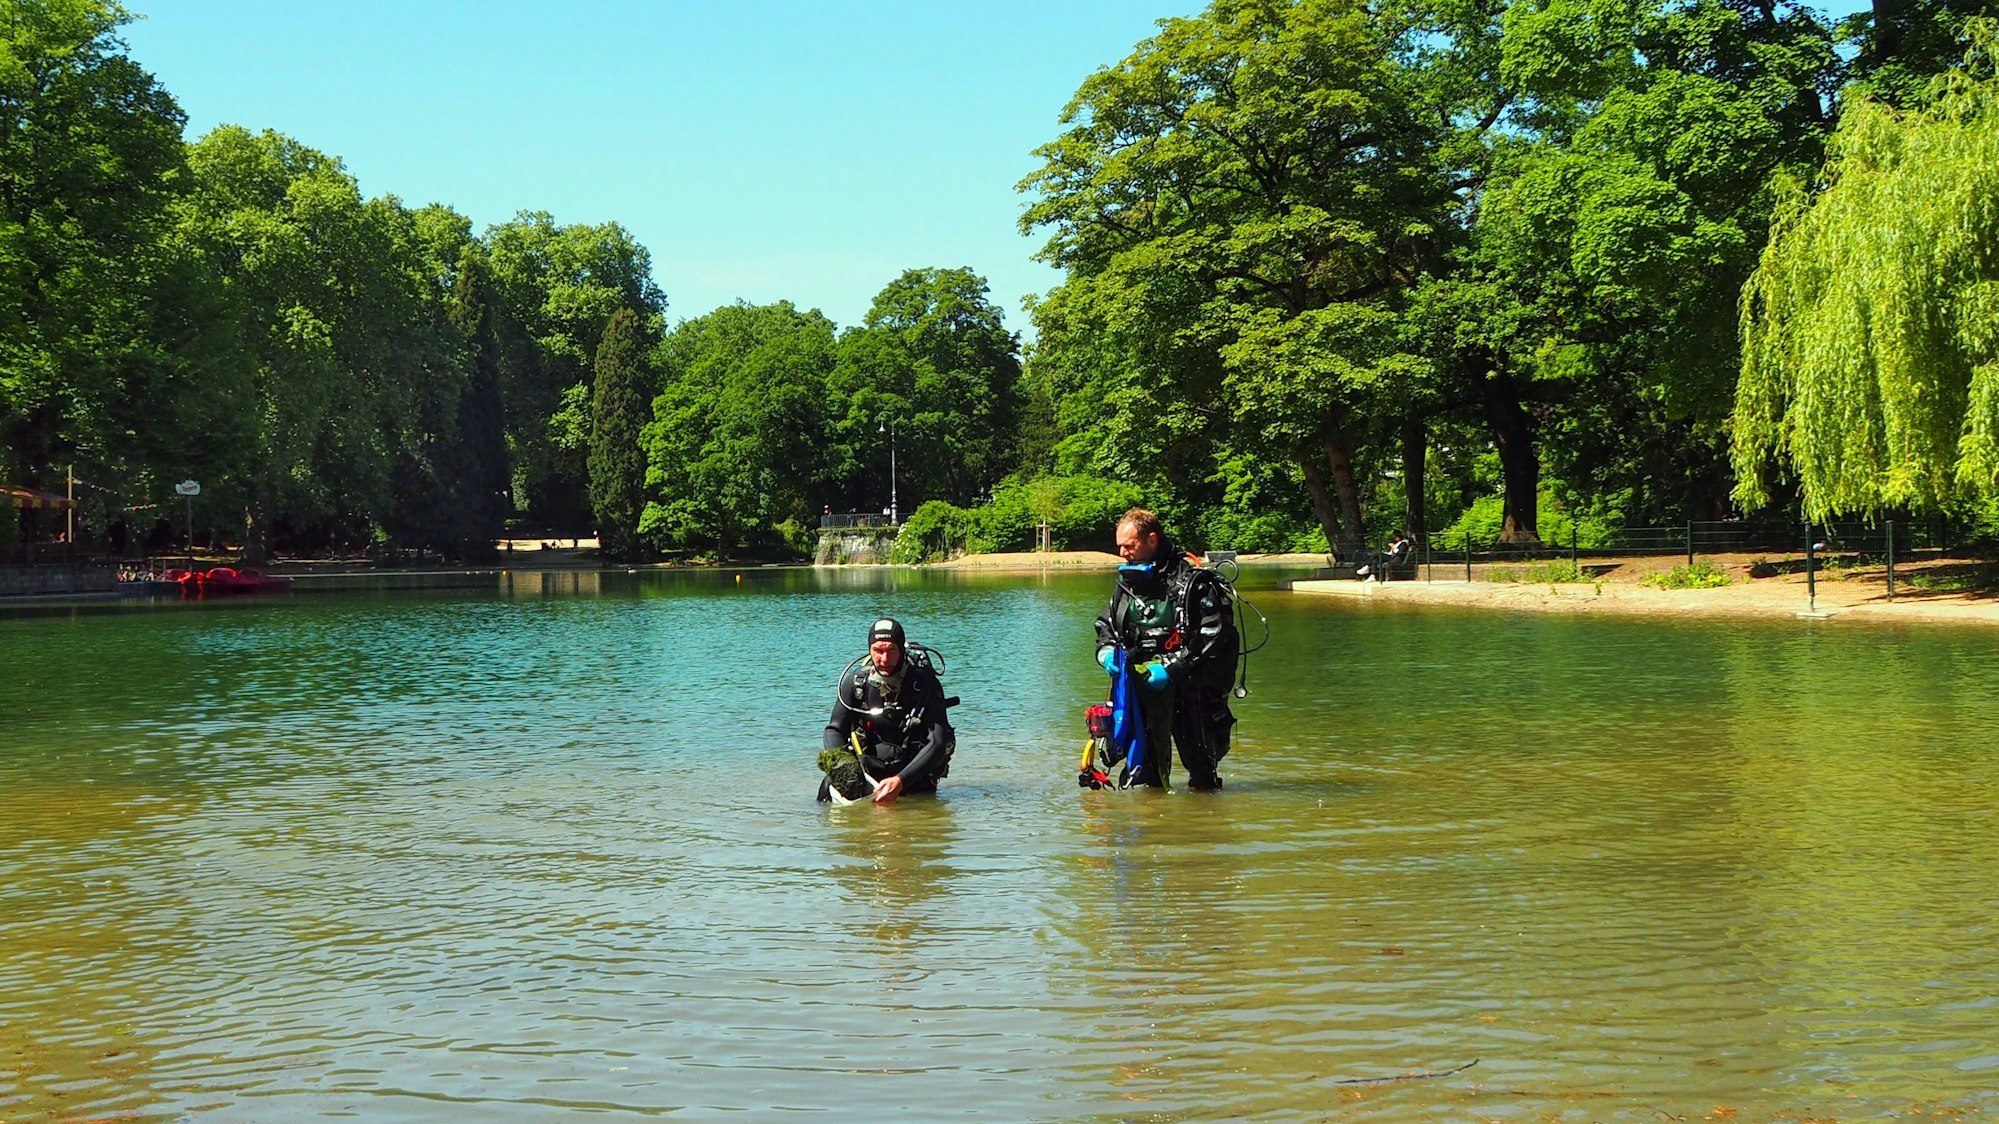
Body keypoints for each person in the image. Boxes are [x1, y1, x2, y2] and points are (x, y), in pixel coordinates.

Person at [1093, 508, 1238, 791]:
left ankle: (1204, 824)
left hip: (1191, 688)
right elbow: (1106, 623)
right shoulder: (1127, 584)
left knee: (1203, 772)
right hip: (1141, 689)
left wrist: (1170, 668)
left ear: (1152, 540)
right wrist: (1106, 651)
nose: (1123, 553)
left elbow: (1213, 634)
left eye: (1129, 546)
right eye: (1119, 546)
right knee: (1149, 773)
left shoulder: (1193, 583)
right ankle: (1153, 820)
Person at [818, 617, 955, 804]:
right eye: (878, 650)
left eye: (891, 650)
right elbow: (834, 730)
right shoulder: (857, 684)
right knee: (829, 784)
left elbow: (938, 741)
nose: (884, 659)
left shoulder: (924, 684)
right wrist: (844, 766)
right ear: (869, 650)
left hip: (914, 777)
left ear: (901, 649)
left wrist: (901, 780)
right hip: (869, 774)